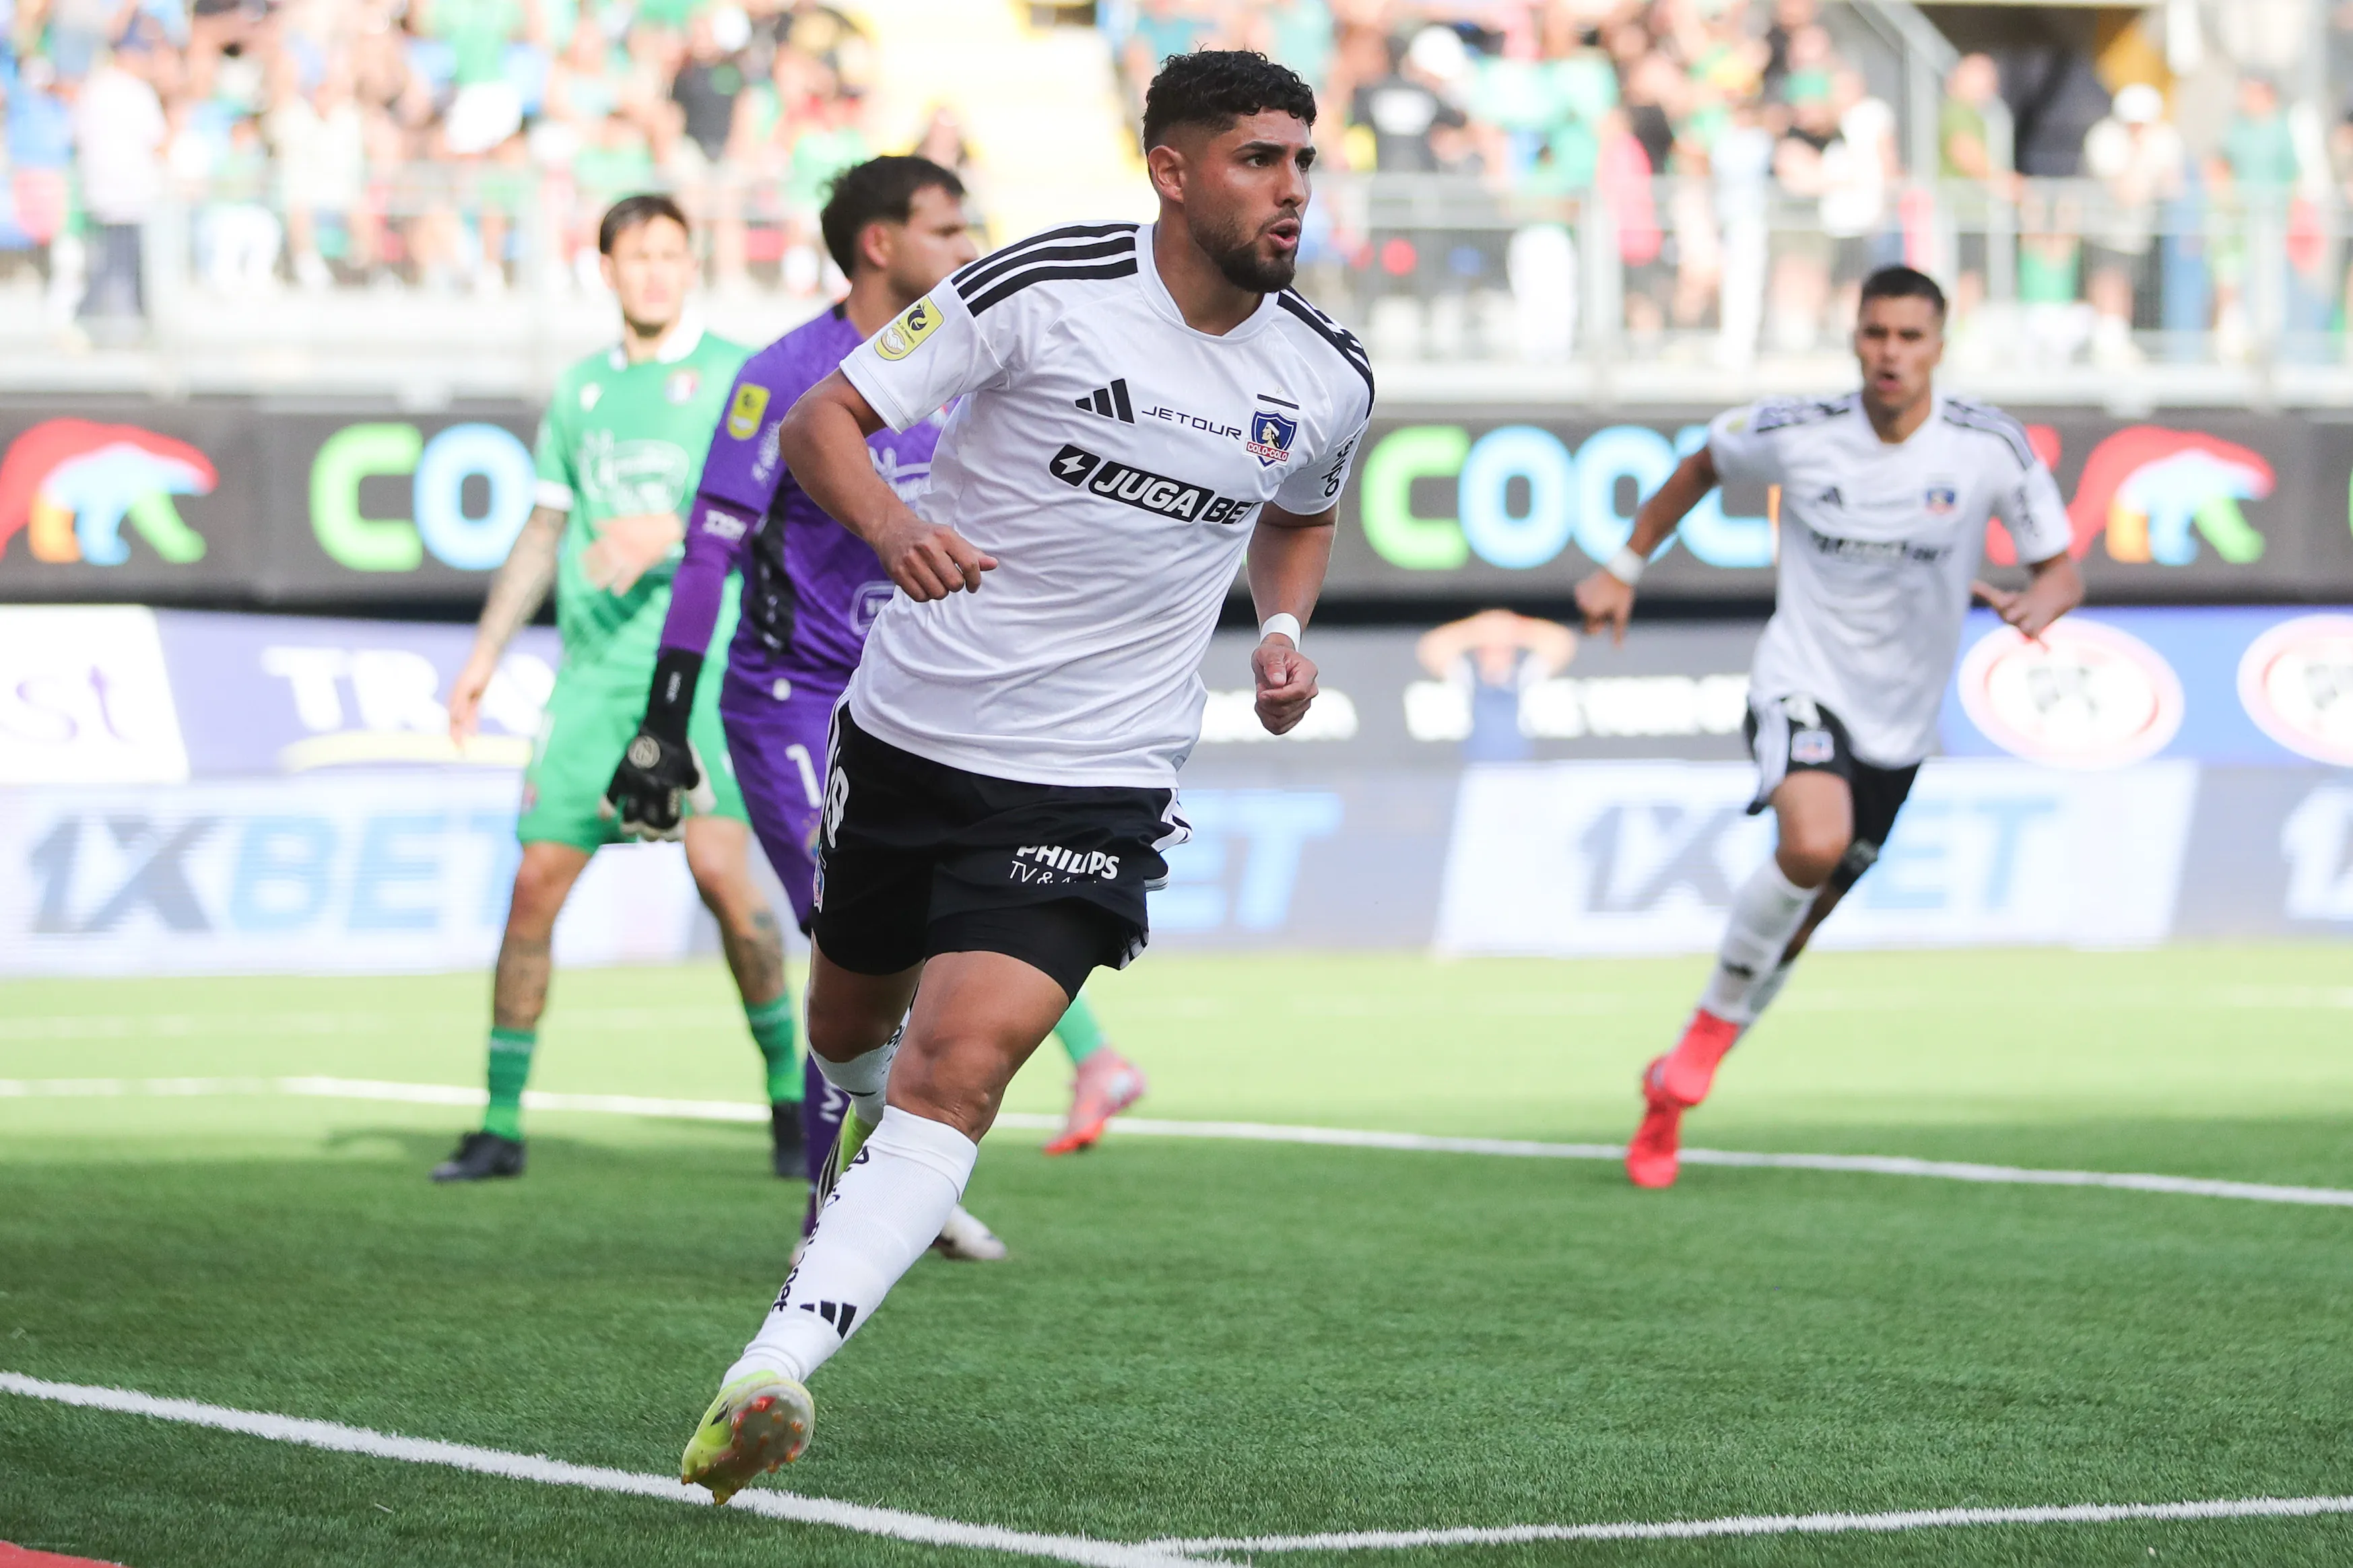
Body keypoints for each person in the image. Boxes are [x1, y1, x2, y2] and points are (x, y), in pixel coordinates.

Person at [652, 50, 1373, 1496]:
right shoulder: (1039, 286)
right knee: (852, 1032)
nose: (1290, 188)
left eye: (1301, 159)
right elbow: (825, 423)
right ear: (1171, 172)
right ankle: (854, 1153)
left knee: (960, 1063)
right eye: (1255, 159)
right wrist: (895, 529)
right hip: (913, 736)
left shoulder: (1326, 371)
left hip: (1099, 776)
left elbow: (1299, 512)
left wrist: (1282, 628)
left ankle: (772, 1368)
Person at [605, 154, 1148, 1258]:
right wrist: (667, 717)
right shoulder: (785, 376)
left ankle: (904, 1178)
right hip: (792, 704)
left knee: (944, 951)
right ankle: (834, 1220)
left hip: (928, 700)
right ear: (878, 246)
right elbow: (708, 556)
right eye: (948, 231)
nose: (969, 248)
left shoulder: (978, 366)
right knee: (846, 939)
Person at [1574, 265, 2081, 1190]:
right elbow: (1697, 466)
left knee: (1794, 932)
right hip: (1801, 682)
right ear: (1854, 336)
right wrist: (1623, 564)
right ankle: (1694, 1055)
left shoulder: (1986, 446)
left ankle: (1673, 1090)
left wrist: (2038, 605)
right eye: (1875, 334)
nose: (1890, 353)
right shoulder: (1796, 431)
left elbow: (2059, 568)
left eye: (1909, 338)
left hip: (1900, 724)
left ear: (1939, 345)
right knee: (1815, 839)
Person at [430, 195, 807, 1184]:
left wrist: (672, 531)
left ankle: (785, 1103)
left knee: (727, 883)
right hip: (591, 682)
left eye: (671, 256)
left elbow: (778, 510)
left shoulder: (737, 373)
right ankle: (500, 1124)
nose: (654, 272)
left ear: (691, 267)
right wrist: (483, 657)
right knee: (532, 891)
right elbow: (545, 530)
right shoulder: (580, 392)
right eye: (637, 256)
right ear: (605, 268)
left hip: (705, 668)